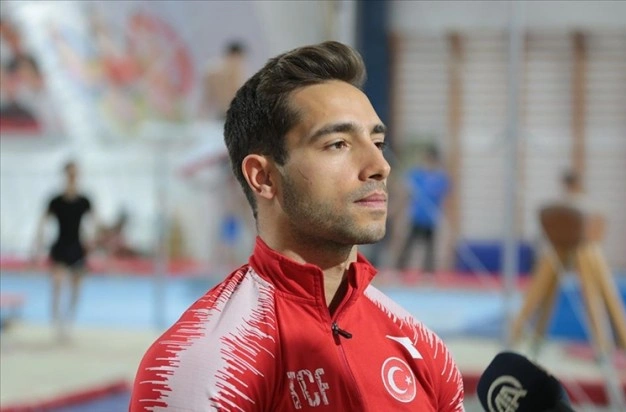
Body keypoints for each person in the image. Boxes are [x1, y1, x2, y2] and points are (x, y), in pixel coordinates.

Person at [131, 41, 464, 411]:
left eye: (378, 142)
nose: (380, 166)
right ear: (263, 177)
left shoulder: (425, 350)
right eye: (338, 144)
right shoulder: (203, 368)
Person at [33, 161, 98, 341]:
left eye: (75, 174)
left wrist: (93, 240)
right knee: (57, 283)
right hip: (61, 246)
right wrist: (38, 242)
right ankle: (56, 323)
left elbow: (94, 222)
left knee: (76, 288)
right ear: (65, 175)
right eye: (70, 174)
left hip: (77, 247)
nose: (72, 178)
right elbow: (42, 221)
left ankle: (69, 322)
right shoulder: (56, 200)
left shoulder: (84, 200)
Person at [396, 144, 451, 274]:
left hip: (431, 218)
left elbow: (445, 199)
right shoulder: (417, 175)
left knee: (430, 247)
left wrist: (445, 218)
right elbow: (405, 191)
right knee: (408, 244)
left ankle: (428, 272)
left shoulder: (440, 178)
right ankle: (399, 269)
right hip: (416, 216)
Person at [201, 40, 247, 120]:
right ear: (237, 55)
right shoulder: (236, 67)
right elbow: (236, 89)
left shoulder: (212, 69)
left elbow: (208, 97)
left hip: (220, 112)